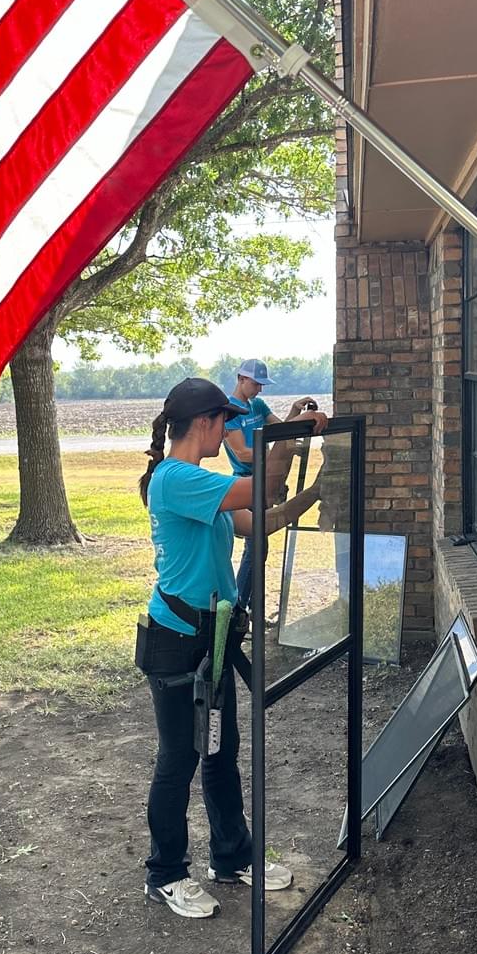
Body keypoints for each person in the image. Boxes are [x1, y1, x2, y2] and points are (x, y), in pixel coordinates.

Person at [136, 377, 322, 919]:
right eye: (226, 421)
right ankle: (166, 872)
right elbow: (260, 487)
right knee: (179, 758)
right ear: (206, 423)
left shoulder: (200, 484)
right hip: (174, 642)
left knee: (219, 750)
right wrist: (287, 436)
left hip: (211, 638)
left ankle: (232, 856)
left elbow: (260, 519)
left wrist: (316, 490)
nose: (231, 430)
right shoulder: (174, 480)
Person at [223, 359, 328, 608]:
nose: (259, 390)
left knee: (258, 548)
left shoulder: (257, 405)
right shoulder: (230, 412)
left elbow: (279, 431)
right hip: (246, 481)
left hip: (267, 479)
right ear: (241, 379)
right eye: (256, 384)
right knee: (256, 545)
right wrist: (273, 461)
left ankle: (245, 605)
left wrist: (295, 414)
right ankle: (240, 605)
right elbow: (242, 453)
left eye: (262, 385)